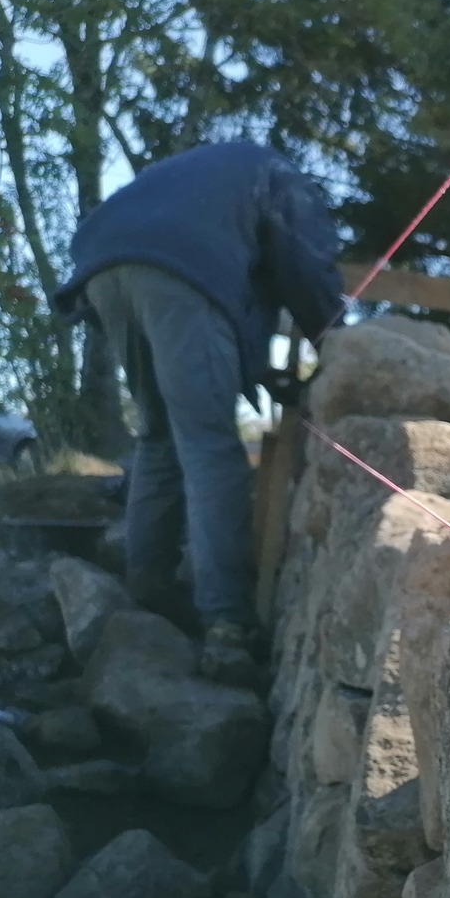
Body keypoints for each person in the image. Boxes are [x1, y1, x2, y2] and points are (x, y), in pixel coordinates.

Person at [55, 142, 346, 683]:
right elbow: (302, 266)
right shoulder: (281, 177)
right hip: (174, 271)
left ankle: (147, 589)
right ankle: (227, 625)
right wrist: (337, 340)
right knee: (211, 446)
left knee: (159, 436)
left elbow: (240, 307)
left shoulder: (204, 180)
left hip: (103, 266)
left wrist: (258, 371)